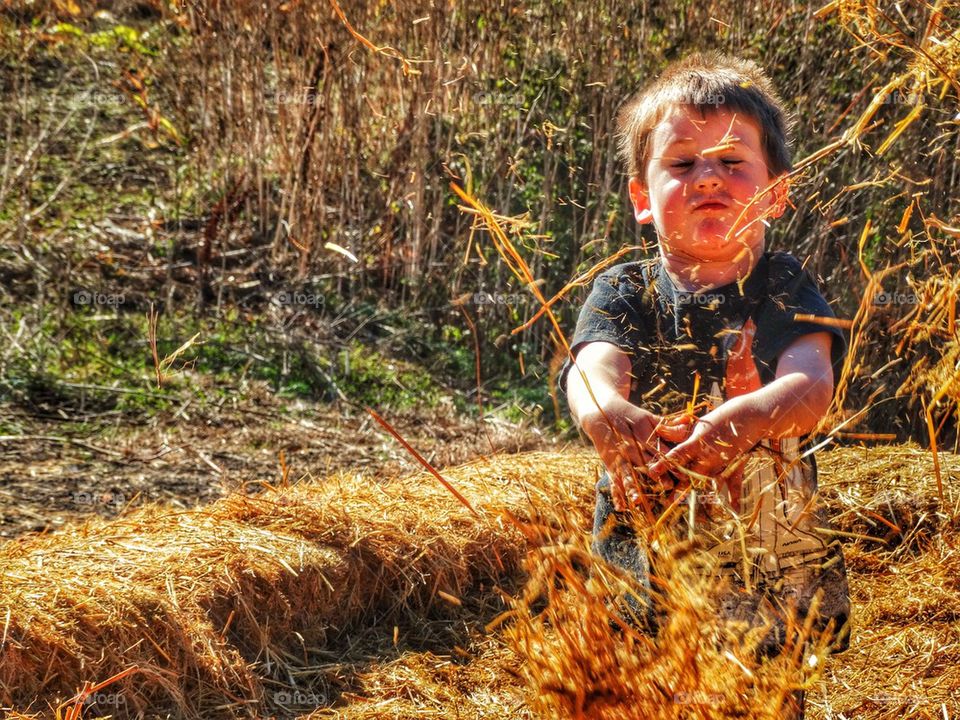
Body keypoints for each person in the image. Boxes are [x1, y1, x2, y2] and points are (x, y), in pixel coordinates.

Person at [559, 52, 851, 674]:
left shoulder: (784, 287)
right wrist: (608, 411)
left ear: (775, 194)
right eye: (683, 164)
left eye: (732, 163)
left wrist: (745, 421)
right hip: (645, 522)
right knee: (642, 677)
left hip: (766, 539)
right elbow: (592, 367)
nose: (709, 178)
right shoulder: (622, 289)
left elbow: (812, 382)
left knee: (765, 683)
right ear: (643, 199)